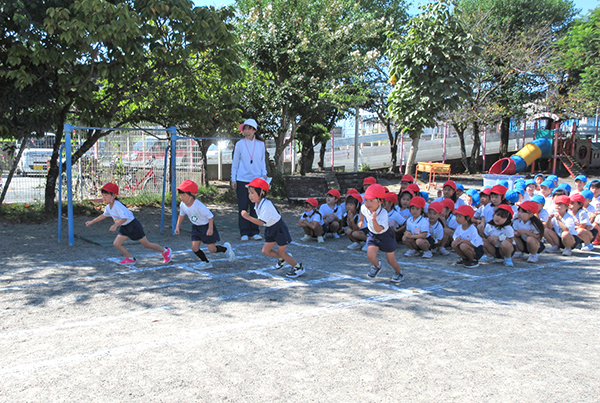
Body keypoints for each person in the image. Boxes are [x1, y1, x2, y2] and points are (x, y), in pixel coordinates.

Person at [85, 183, 172, 265]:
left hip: (133, 225)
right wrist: (92, 222)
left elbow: (124, 218)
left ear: (114, 196)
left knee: (146, 244)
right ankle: (130, 258)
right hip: (124, 226)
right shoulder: (108, 207)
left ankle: (165, 251)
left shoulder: (118, 205)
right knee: (116, 243)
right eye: (102, 195)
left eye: (106, 195)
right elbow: (103, 215)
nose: (103, 197)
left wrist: (115, 225)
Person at [241, 178, 305, 278]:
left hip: (279, 229)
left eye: (252, 192)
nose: (250, 195)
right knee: (266, 251)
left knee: (282, 253)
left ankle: (298, 267)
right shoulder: (257, 204)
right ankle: (283, 258)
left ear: (261, 193)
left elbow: (261, 222)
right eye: (249, 192)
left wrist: (247, 217)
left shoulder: (266, 205)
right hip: (270, 228)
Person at [174, 180, 235, 268]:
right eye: (180, 195)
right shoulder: (183, 205)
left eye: (184, 195)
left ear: (192, 195)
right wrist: (177, 227)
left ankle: (225, 249)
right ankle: (206, 262)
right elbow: (181, 215)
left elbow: (210, 216)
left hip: (206, 227)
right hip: (196, 227)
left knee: (212, 250)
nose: (181, 197)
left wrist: (210, 229)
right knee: (194, 248)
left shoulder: (199, 206)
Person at [359, 184, 404, 283]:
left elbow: (379, 229)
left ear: (380, 202)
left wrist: (374, 220)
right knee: (370, 255)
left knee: (390, 260)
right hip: (372, 234)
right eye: (366, 200)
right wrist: (361, 221)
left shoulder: (383, 213)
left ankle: (399, 273)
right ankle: (377, 266)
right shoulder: (364, 207)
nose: (368, 203)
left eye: (372, 201)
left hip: (385, 236)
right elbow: (362, 211)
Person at [231, 118, 267, 241]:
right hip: (242, 179)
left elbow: (262, 161)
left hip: (256, 180)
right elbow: (235, 162)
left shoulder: (261, 144)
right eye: (245, 129)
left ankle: (255, 231)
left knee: (255, 206)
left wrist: (264, 174)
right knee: (243, 206)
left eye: (249, 129)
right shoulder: (240, 144)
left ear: (254, 130)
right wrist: (233, 178)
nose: (246, 131)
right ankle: (244, 232)